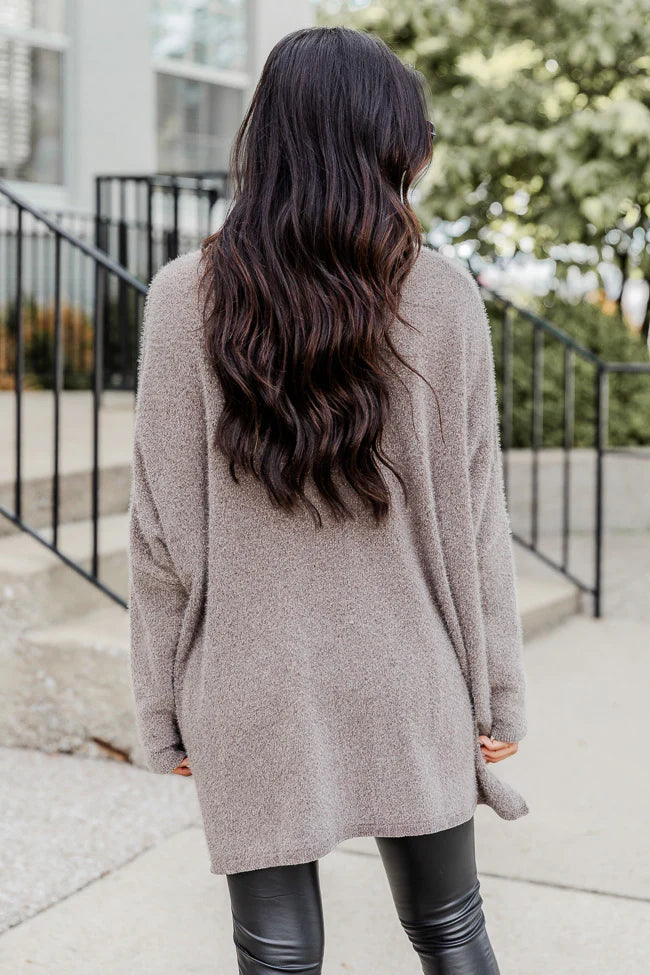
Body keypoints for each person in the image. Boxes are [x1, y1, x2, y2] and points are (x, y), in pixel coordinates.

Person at [128, 25, 529, 975]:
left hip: (251, 680)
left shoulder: (185, 298)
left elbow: (159, 532)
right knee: (452, 930)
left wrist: (162, 705)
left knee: (277, 956)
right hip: (410, 672)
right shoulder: (443, 296)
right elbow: (477, 516)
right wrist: (496, 690)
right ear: (386, 146)